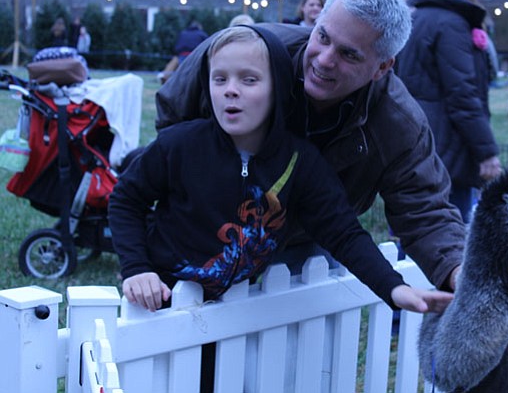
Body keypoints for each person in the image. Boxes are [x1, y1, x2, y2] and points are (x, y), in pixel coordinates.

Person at [155, 0, 467, 294]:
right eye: (323, 37)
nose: (324, 60)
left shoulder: (399, 124)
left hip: (309, 239)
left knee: (296, 331)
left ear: (382, 67)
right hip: (212, 221)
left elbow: (425, 210)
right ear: (316, 22)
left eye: (349, 54)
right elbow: (174, 115)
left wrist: (458, 272)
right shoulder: (247, 50)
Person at [110, 25, 449, 316]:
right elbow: (126, 198)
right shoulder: (179, 144)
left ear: (279, 89)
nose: (230, 89)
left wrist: (394, 289)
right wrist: (137, 270)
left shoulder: (301, 163)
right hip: (157, 303)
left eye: (249, 79)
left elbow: (343, 233)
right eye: (220, 78)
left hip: (235, 312)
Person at [395, 0, 501, 223]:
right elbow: (462, 95)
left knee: (418, 228)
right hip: (446, 151)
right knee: (450, 229)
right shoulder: (452, 24)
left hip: (413, 141)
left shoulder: (416, 18)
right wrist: (487, 152)